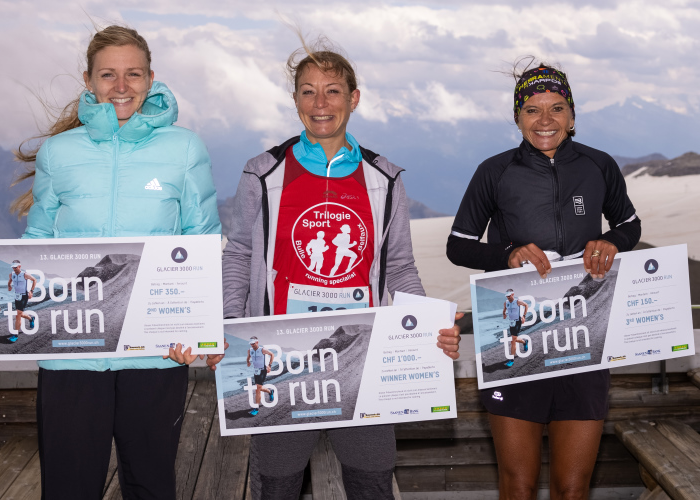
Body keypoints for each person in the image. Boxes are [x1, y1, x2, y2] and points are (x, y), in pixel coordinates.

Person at [0, 25, 221, 499]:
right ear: (88, 80)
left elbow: (202, 240)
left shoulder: (184, 149)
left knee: (150, 485)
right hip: (71, 352)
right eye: (108, 74)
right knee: (69, 488)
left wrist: (198, 326)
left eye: (133, 74)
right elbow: (38, 240)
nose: (121, 86)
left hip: (155, 353)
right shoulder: (60, 152)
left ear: (151, 78)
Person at [199, 37, 463, 500]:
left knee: (372, 483)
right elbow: (238, 253)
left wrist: (425, 329)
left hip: (362, 357)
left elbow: (399, 265)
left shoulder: (384, 178)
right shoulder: (263, 172)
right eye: (308, 91)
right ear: (295, 100)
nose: (320, 103)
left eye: (333, 90)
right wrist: (228, 324)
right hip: (281, 358)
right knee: (278, 486)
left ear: (353, 98)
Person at [447, 60, 640, 500]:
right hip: (516, 336)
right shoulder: (494, 171)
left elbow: (630, 224)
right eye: (532, 110)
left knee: (572, 488)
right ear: (517, 117)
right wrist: (507, 253)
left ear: (572, 115)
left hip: (584, 333)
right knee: (518, 484)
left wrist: (611, 241)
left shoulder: (598, 165)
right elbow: (458, 245)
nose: (545, 120)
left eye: (556, 108)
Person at [7, 259, 37, 342]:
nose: (14, 268)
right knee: (20, 313)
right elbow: (10, 281)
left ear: (19, 266)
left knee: (18, 315)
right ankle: (31, 318)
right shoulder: (11, 274)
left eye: (15, 267)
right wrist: (9, 285)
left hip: (24, 296)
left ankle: (15, 335)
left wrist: (31, 291)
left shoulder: (25, 274)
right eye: (13, 267)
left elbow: (34, 280)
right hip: (17, 296)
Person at [247, 336, 276, 415]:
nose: (252, 345)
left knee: (257, 389)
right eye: (251, 344)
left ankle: (256, 408)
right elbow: (248, 357)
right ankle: (270, 391)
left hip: (263, 370)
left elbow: (272, 354)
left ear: (257, 342)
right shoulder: (250, 350)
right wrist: (248, 362)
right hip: (256, 371)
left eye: (253, 343)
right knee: (259, 387)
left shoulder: (262, 350)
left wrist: (269, 365)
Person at [502, 288, 528, 366]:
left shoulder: (517, 301)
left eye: (509, 296)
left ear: (512, 294)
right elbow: (504, 309)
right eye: (507, 296)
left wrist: (524, 316)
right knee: (515, 339)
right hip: (511, 322)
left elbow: (526, 305)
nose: (508, 297)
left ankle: (511, 360)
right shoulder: (506, 302)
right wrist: (504, 314)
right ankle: (524, 342)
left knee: (513, 340)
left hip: (517, 322)